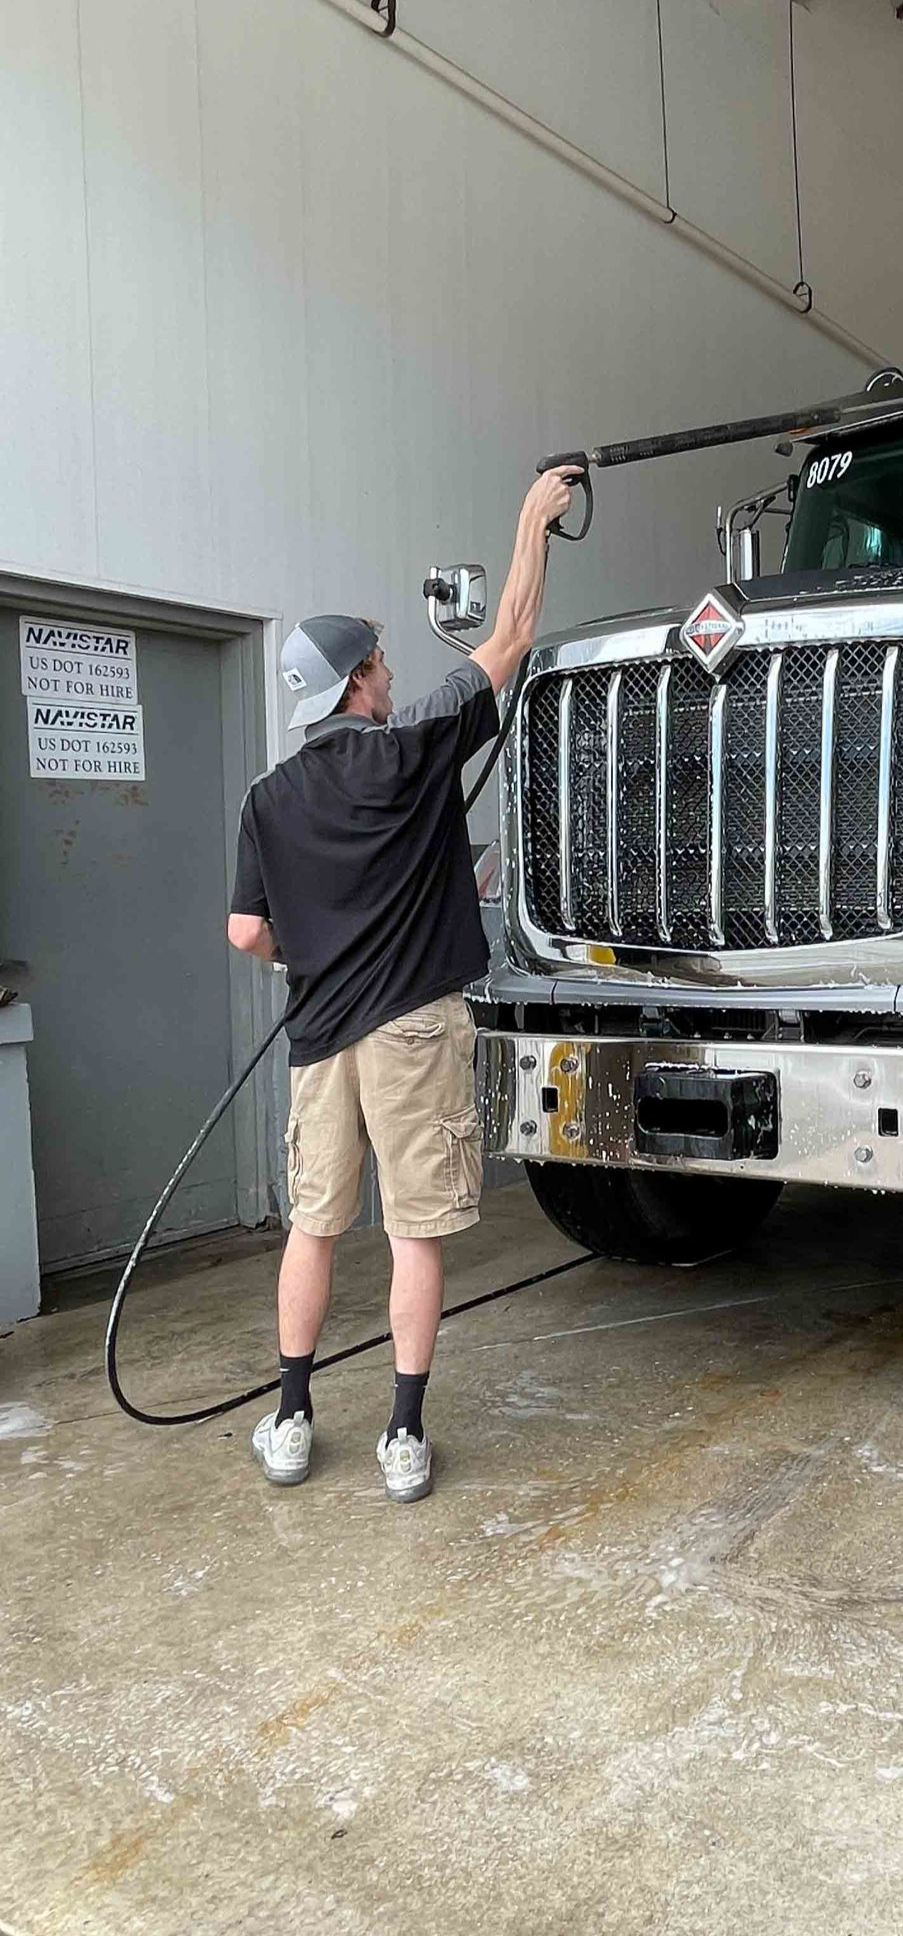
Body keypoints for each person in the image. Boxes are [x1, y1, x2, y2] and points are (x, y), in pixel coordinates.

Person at [226, 467, 578, 1502]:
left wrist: (313, 951)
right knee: (413, 1230)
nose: (386, 676)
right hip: (415, 1031)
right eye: (378, 664)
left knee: (315, 1225)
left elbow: (247, 928)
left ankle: (290, 1417)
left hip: (320, 1037)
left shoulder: (266, 796)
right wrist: (531, 516)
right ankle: (403, 1434)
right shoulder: (407, 750)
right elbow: (508, 636)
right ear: (358, 683)